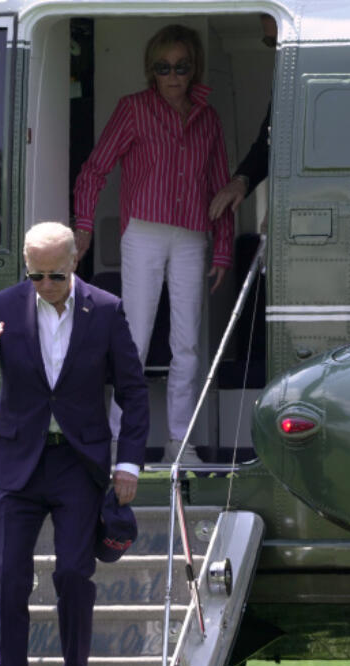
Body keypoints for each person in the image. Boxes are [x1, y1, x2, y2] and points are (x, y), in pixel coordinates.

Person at [0, 222, 149, 666]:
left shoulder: (104, 309)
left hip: (78, 463)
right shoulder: (4, 306)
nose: (44, 285)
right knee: (10, 580)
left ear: (75, 261)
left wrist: (128, 463)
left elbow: (133, 390)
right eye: (34, 275)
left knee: (72, 574)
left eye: (54, 275)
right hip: (17, 464)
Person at [72, 24, 234, 466]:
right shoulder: (133, 110)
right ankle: (120, 448)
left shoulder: (209, 117)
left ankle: (180, 447)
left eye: (181, 67)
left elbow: (220, 185)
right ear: (152, 70)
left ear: (192, 67)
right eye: (164, 68)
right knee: (135, 341)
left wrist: (223, 248)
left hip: (191, 235)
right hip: (142, 230)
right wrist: (83, 224)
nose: (173, 76)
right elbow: (95, 168)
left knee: (188, 345)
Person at [207, 14, 277, 222]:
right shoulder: (286, 84)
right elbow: (269, 141)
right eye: (271, 42)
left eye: (282, 41)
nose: (276, 49)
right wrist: (241, 180)